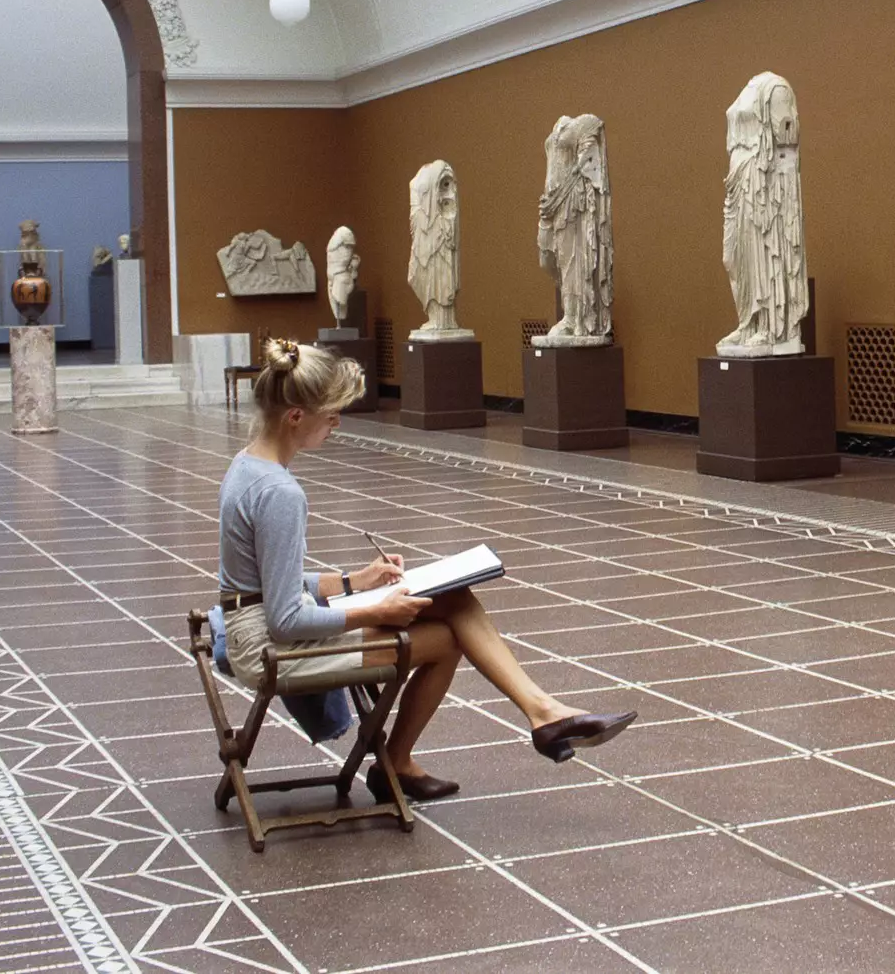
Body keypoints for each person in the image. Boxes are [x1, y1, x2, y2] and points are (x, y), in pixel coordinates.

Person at [218, 339, 635, 802]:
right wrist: (380, 609)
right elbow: (285, 619)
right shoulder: (281, 493)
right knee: (447, 640)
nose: (336, 424)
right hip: (268, 649)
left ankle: (543, 713)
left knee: (454, 598)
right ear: (296, 416)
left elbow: (267, 582)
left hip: (251, 630)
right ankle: (405, 757)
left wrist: (359, 581)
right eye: (332, 414)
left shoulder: (247, 466)